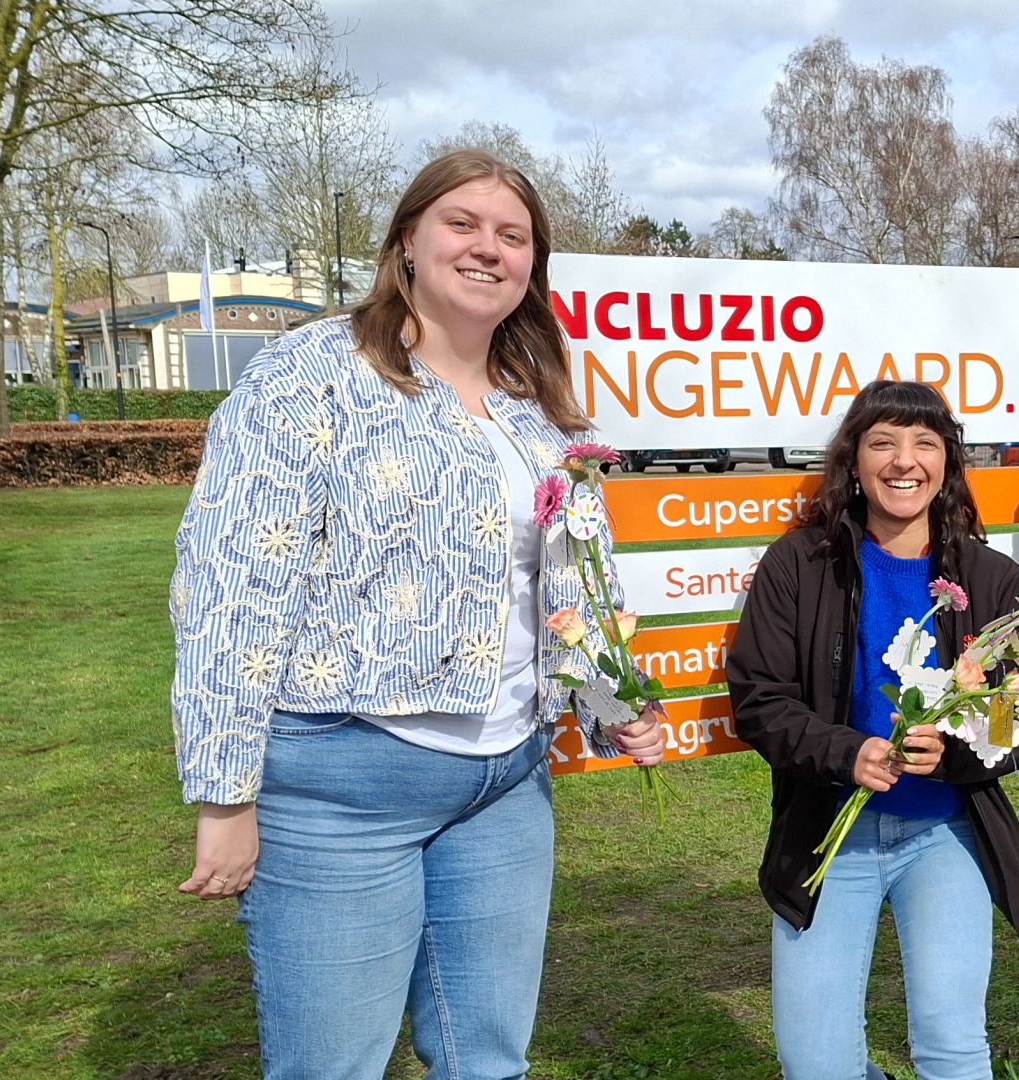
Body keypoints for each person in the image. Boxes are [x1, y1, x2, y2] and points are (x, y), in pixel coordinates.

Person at [169, 149, 664, 1079]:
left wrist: (609, 701)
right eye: (463, 225)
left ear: (532, 267)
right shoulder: (312, 374)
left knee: (489, 1062)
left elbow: (573, 579)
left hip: (506, 783)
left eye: (512, 236)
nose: (488, 249)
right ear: (407, 243)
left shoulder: (542, 409)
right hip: (341, 784)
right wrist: (225, 792)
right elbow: (233, 583)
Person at [727, 380, 1019, 1080]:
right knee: (816, 1065)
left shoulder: (992, 577)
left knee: (952, 1046)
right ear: (854, 461)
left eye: (925, 443)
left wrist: (955, 747)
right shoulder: (801, 564)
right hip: (829, 832)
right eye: (883, 442)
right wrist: (847, 752)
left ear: (948, 463)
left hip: (945, 835)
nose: (905, 461)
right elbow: (759, 697)